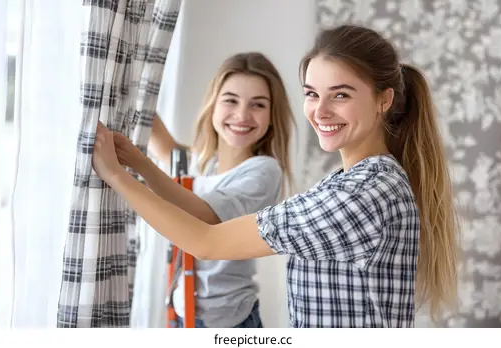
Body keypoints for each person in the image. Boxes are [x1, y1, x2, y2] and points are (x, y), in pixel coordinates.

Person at [92, 24, 459, 328]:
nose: (320, 110)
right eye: (313, 93)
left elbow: (206, 240)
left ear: (384, 100)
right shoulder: (351, 183)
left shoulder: (361, 194)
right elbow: (176, 161)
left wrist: (116, 176)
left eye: (341, 95)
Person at [110, 52, 295, 328]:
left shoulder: (263, 171)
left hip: (227, 324)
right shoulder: (203, 164)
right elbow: (157, 135)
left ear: (271, 116)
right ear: (213, 106)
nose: (242, 115)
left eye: (258, 105)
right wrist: (128, 75)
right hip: (182, 314)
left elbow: (203, 216)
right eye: (230, 100)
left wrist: (136, 167)